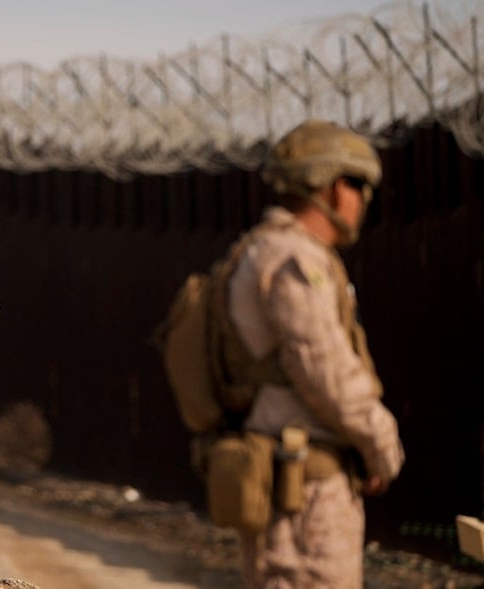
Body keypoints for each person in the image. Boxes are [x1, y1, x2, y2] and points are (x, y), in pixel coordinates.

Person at [224, 120, 405, 588]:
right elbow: (324, 370)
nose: (363, 199)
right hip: (302, 499)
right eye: (358, 184)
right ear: (331, 186)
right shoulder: (292, 259)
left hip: (296, 485)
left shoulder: (267, 250)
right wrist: (381, 444)